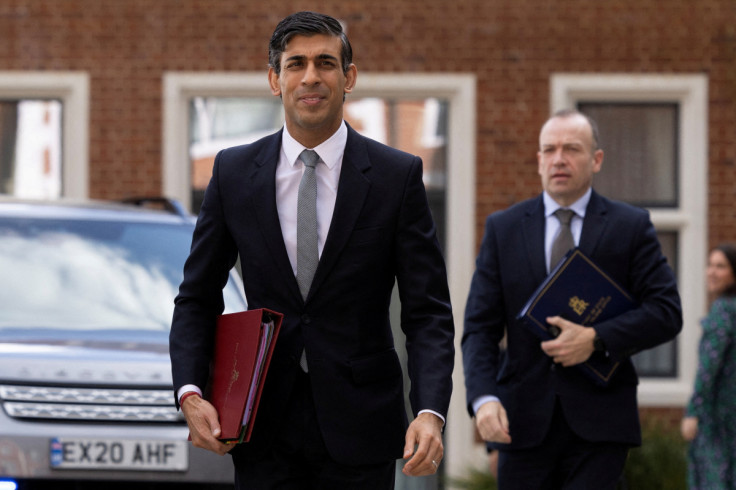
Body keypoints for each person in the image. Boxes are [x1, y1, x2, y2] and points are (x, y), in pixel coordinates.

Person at [168, 11, 455, 490]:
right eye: (295, 63)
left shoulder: (395, 177)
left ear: (349, 77)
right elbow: (197, 296)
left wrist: (430, 411)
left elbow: (427, 312)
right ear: (274, 80)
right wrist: (190, 392)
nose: (311, 77)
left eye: (325, 62)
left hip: (362, 427)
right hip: (260, 425)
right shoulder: (234, 173)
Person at [462, 109, 682, 489]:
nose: (559, 159)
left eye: (571, 149)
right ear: (539, 161)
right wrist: (483, 398)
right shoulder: (505, 228)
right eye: (549, 150)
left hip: (600, 425)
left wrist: (596, 339)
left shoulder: (629, 226)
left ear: (596, 159)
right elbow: (479, 328)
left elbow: (666, 312)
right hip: (521, 424)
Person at [681, 244, 736, 489]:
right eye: (710, 265)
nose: (711, 272)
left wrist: (693, 412)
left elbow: (708, 367)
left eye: (720, 266)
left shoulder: (724, 310)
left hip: (717, 422)